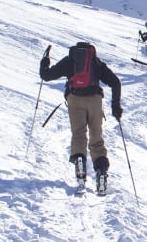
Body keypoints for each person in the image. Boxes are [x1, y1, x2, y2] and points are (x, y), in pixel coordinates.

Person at [39, 42, 122, 189]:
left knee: (79, 134)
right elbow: (115, 83)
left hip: (75, 99)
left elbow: (46, 76)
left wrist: (44, 63)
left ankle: (80, 164)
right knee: (96, 138)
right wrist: (116, 106)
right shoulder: (96, 62)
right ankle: (101, 171)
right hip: (95, 100)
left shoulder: (70, 60)